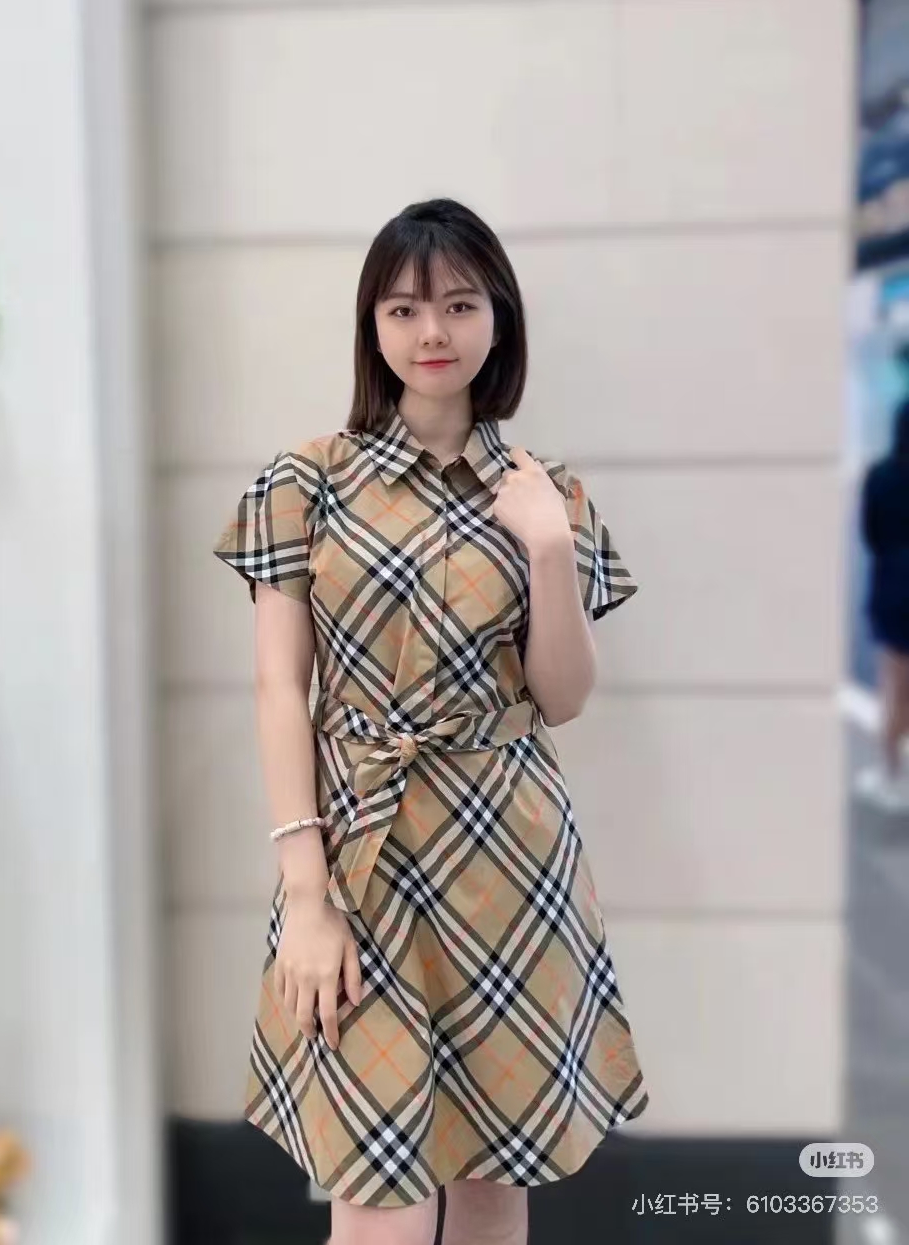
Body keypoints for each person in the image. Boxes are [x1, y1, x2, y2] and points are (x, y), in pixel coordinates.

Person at [213, 198, 649, 1245]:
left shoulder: (550, 493)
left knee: (496, 1187)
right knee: (379, 1212)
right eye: (404, 310)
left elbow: (561, 698)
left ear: (500, 317)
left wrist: (548, 549)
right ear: (373, 327)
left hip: (510, 857)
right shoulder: (305, 483)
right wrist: (306, 895)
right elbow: (279, 691)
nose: (433, 332)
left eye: (459, 305)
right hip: (359, 863)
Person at [858, 395, 909, 812]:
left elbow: (870, 534)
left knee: (894, 685)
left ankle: (892, 776)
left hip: (893, 588)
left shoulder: (879, 476)